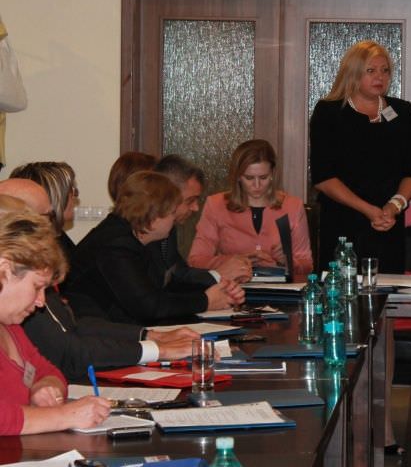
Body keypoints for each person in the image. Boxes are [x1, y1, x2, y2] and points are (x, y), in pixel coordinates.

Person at [0, 172, 198, 383]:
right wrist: (158, 348)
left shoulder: (24, 289)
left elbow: (72, 328)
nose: (52, 224)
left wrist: (149, 336)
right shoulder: (115, 241)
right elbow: (68, 353)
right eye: (45, 217)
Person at [64, 171, 244, 324]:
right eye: (172, 213)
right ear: (153, 216)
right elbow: (147, 306)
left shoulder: (136, 236)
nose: (174, 220)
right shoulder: (115, 245)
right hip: (95, 334)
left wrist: (216, 293)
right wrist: (205, 301)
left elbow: (164, 288)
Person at [309, 40, 411, 273]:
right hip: (343, 222)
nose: (379, 77)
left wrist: (393, 206)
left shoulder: (401, 111)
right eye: (371, 71)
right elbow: (323, 176)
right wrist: (368, 209)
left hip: (388, 222)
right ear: (353, 73)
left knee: (387, 289)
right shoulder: (329, 112)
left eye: (385, 70)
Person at [0, 203, 111, 435]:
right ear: (4, 269)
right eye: (36, 287)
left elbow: (47, 369)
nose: (41, 302)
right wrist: (67, 415)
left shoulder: (10, 326)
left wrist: (45, 387)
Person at [188, 140, 313, 276]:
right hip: (232, 285)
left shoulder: (293, 206)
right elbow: (196, 260)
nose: (257, 185)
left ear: (273, 173)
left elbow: (307, 265)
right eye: (249, 178)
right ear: (238, 177)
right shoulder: (216, 205)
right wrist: (232, 261)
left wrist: (288, 262)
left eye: (263, 177)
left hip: (277, 286)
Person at [155, 154, 252, 285]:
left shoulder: (169, 229)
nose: (196, 208)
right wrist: (219, 275)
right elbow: (155, 292)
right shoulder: (138, 236)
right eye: (190, 201)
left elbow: (180, 274)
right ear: (167, 197)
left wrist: (223, 275)